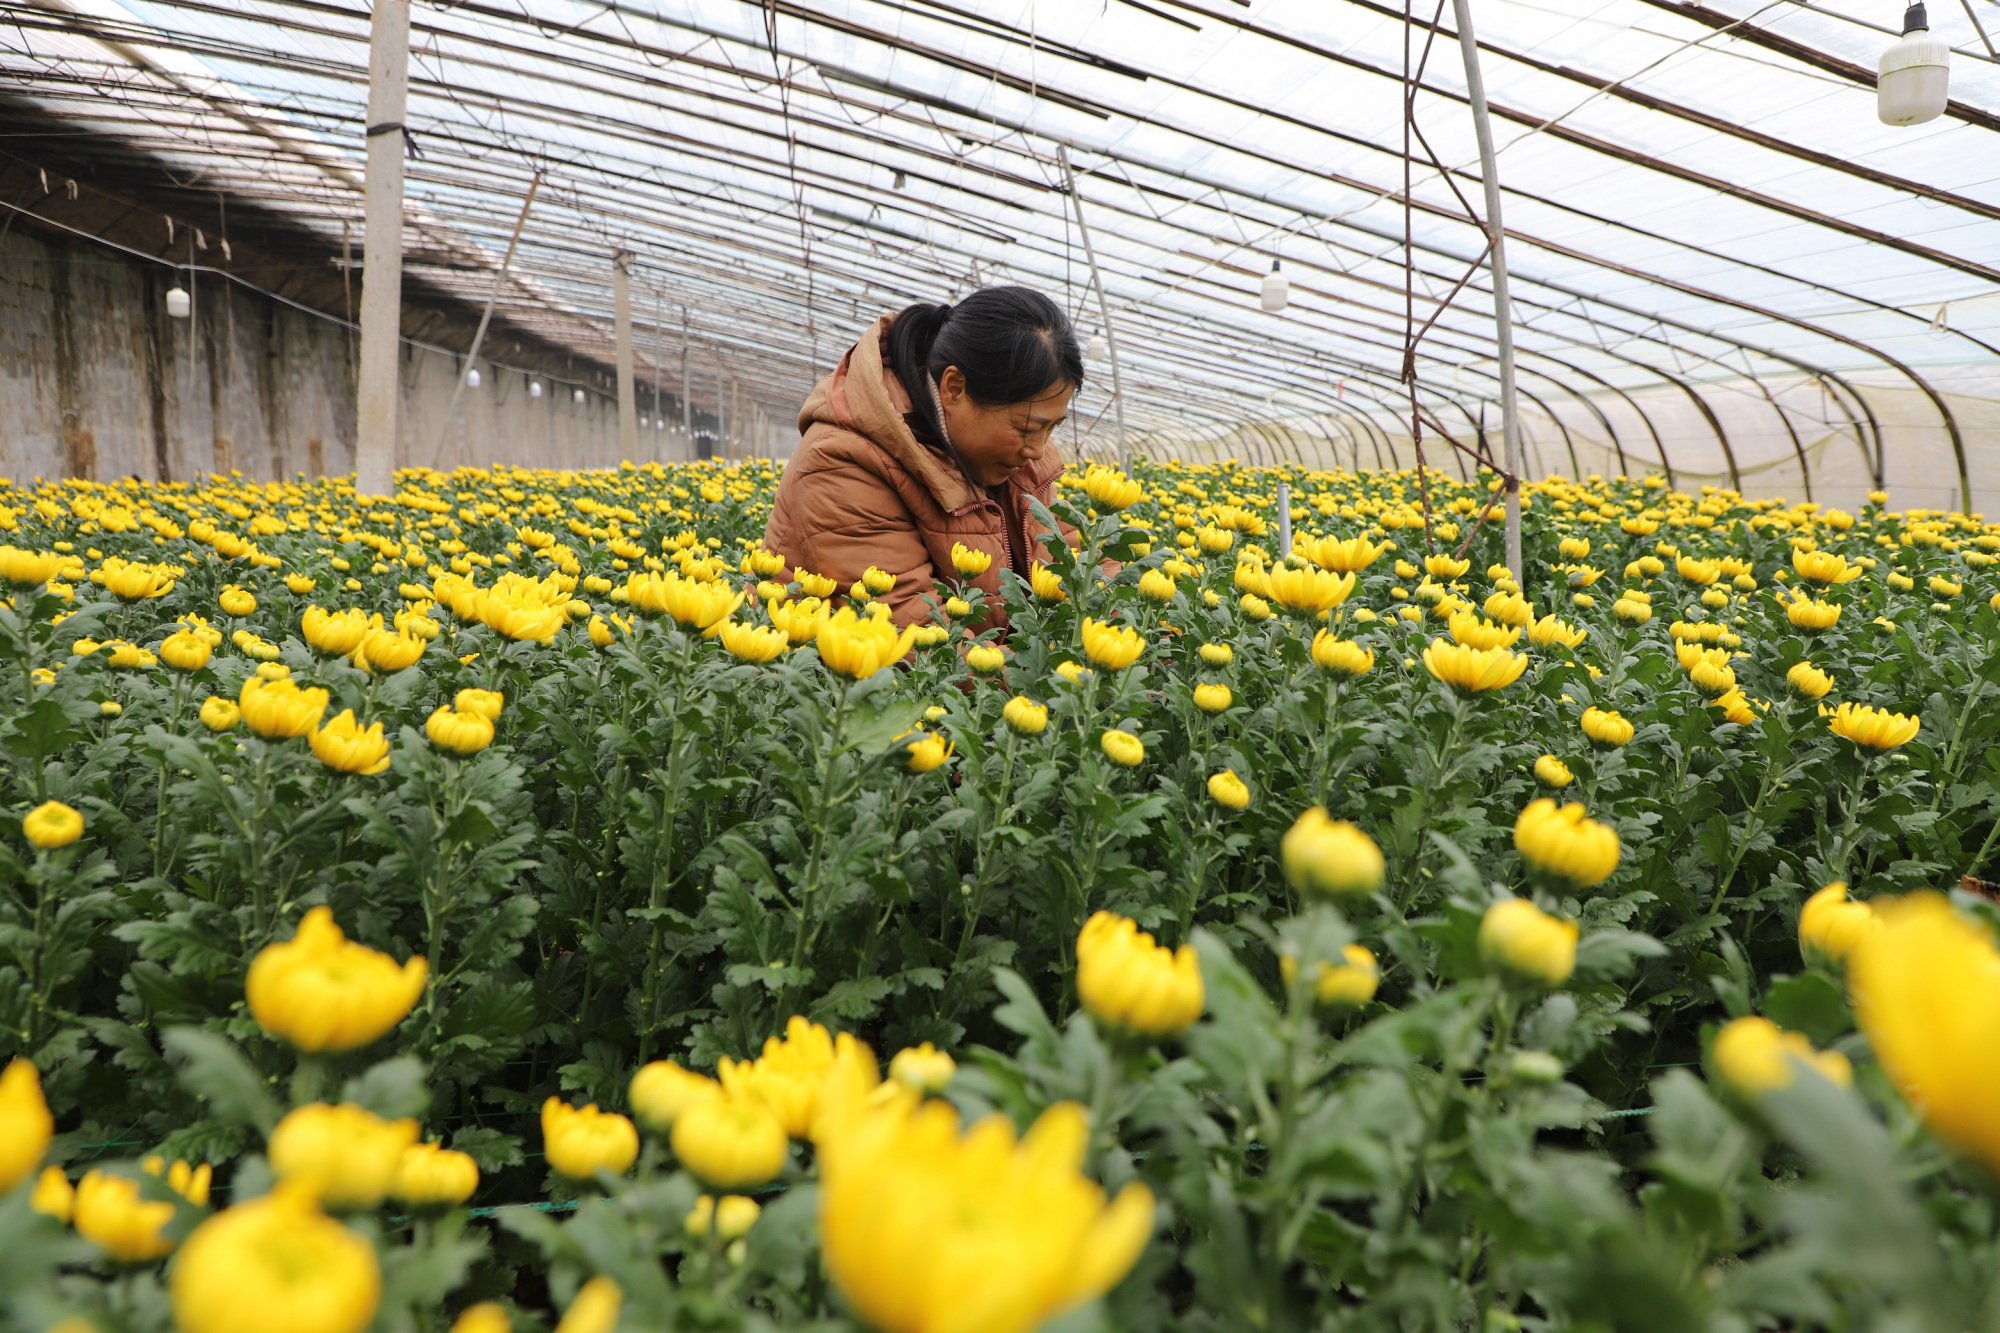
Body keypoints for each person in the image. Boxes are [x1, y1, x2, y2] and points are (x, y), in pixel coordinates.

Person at [763, 287, 1084, 627]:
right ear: (954, 388)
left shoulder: (1016, 460)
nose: (1037, 450)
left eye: (1051, 428)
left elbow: (1072, 557)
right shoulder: (843, 460)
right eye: (1026, 427)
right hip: (836, 671)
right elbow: (911, 629)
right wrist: (1054, 679)